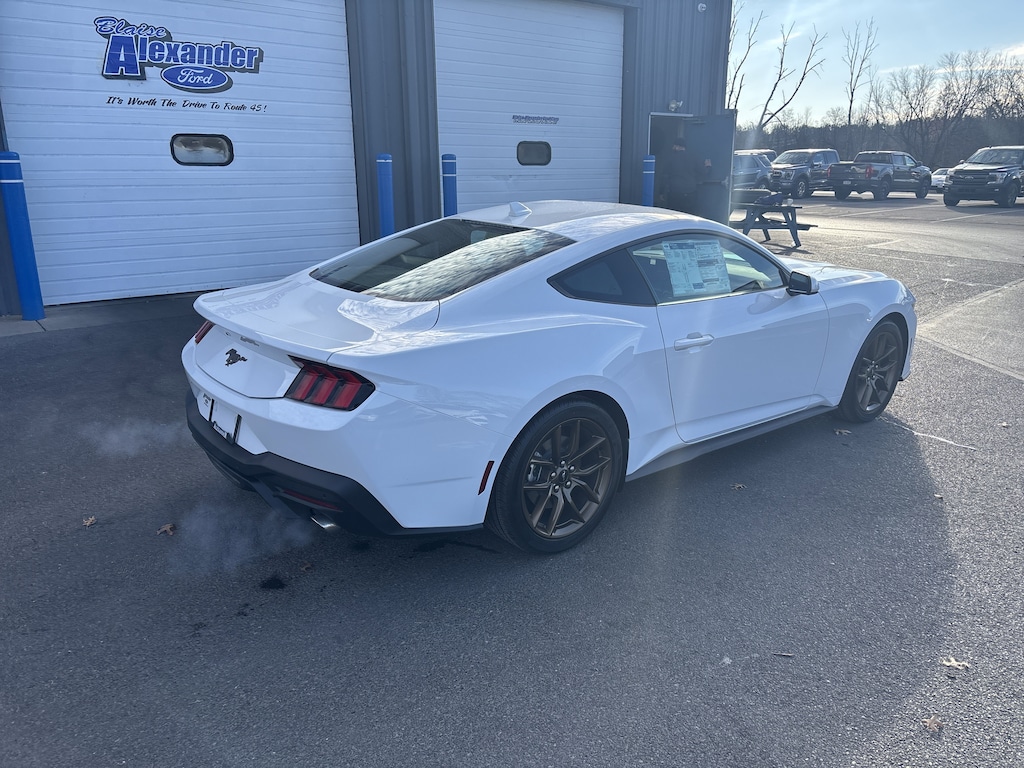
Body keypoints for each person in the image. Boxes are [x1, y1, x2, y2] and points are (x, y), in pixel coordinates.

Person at [659, 141, 711, 215]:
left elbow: (664, 176)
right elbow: (703, 172)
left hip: (674, 193)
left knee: (673, 215)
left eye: (674, 146)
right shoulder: (693, 157)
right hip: (690, 192)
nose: (672, 148)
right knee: (689, 216)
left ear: (678, 146)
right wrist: (708, 167)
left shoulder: (670, 158)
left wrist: (661, 192)